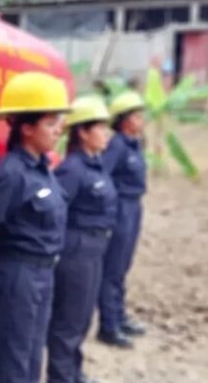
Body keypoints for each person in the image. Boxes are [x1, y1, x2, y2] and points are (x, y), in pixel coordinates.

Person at [0, 71, 70, 383]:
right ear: (27, 128)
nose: (59, 129)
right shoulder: (10, 174)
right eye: (50, 122)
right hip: (16, 277)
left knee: (32, 356)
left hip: (44, 274)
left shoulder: (44, 168)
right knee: (13, 360)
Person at [47, 96, 118, 383]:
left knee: (82, 317)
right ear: (83, 133)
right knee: (69, 320)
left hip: (94, 248)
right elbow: (56, 212)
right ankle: (62, 377)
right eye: (100, 128)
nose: (106, 134)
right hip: (76, 250)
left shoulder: (94, 165)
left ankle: (73, 372)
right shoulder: (72, 169)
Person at [97, 90, 148, 349]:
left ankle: (119, 315)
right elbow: (103, 177)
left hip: (134, 206)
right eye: (137, 116)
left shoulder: (134, 144)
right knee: (113, 268)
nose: (142, 121)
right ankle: (109, 325)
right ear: (125, 120)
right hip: (121, 209)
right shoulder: (116, 146)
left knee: (123, 266)